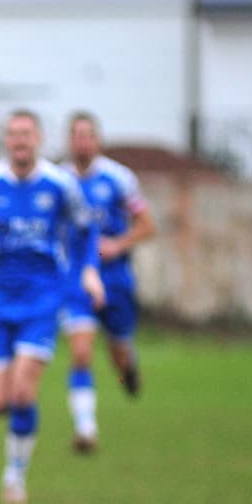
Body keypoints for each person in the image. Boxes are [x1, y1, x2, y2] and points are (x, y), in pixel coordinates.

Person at [0, 109, 104, 504]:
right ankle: (21, 433)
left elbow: (85, 230)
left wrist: (89, 271)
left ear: (38, 139)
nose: (20, 141)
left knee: (23, 393)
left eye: (26, 134)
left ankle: (15, 477)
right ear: (6, 141)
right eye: (13, 135)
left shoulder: (60, 185)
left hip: (44, 297)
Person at [60, 111, 156, 452]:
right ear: (69, 141)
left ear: (97, 140)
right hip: (76, 281)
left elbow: (147, 225)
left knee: (118, 354)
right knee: (82, 352)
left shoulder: (118, 179)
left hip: (115, 279)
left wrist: (117, 245)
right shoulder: (59, 181)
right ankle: (86, 429)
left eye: (88, 135)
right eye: (76, 135)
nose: (82, 141)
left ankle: (128, 368)